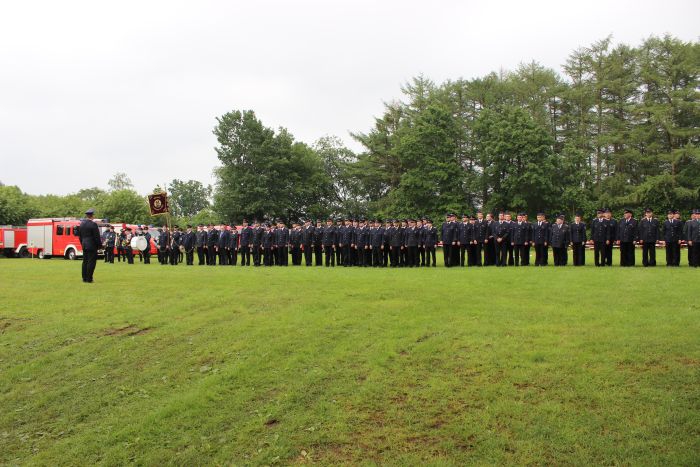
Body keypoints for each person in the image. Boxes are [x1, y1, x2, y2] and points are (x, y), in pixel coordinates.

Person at [78, 209, 102, 283]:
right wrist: (99, 245)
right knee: (91, 262)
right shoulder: (93, 224)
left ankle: (84, 278)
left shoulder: (81, 224)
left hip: (84, 245)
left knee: (85, 262)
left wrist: (82, 243)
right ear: (92, 216)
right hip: (92, 245)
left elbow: (80, 236)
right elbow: (96, 236)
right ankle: (89, 278)